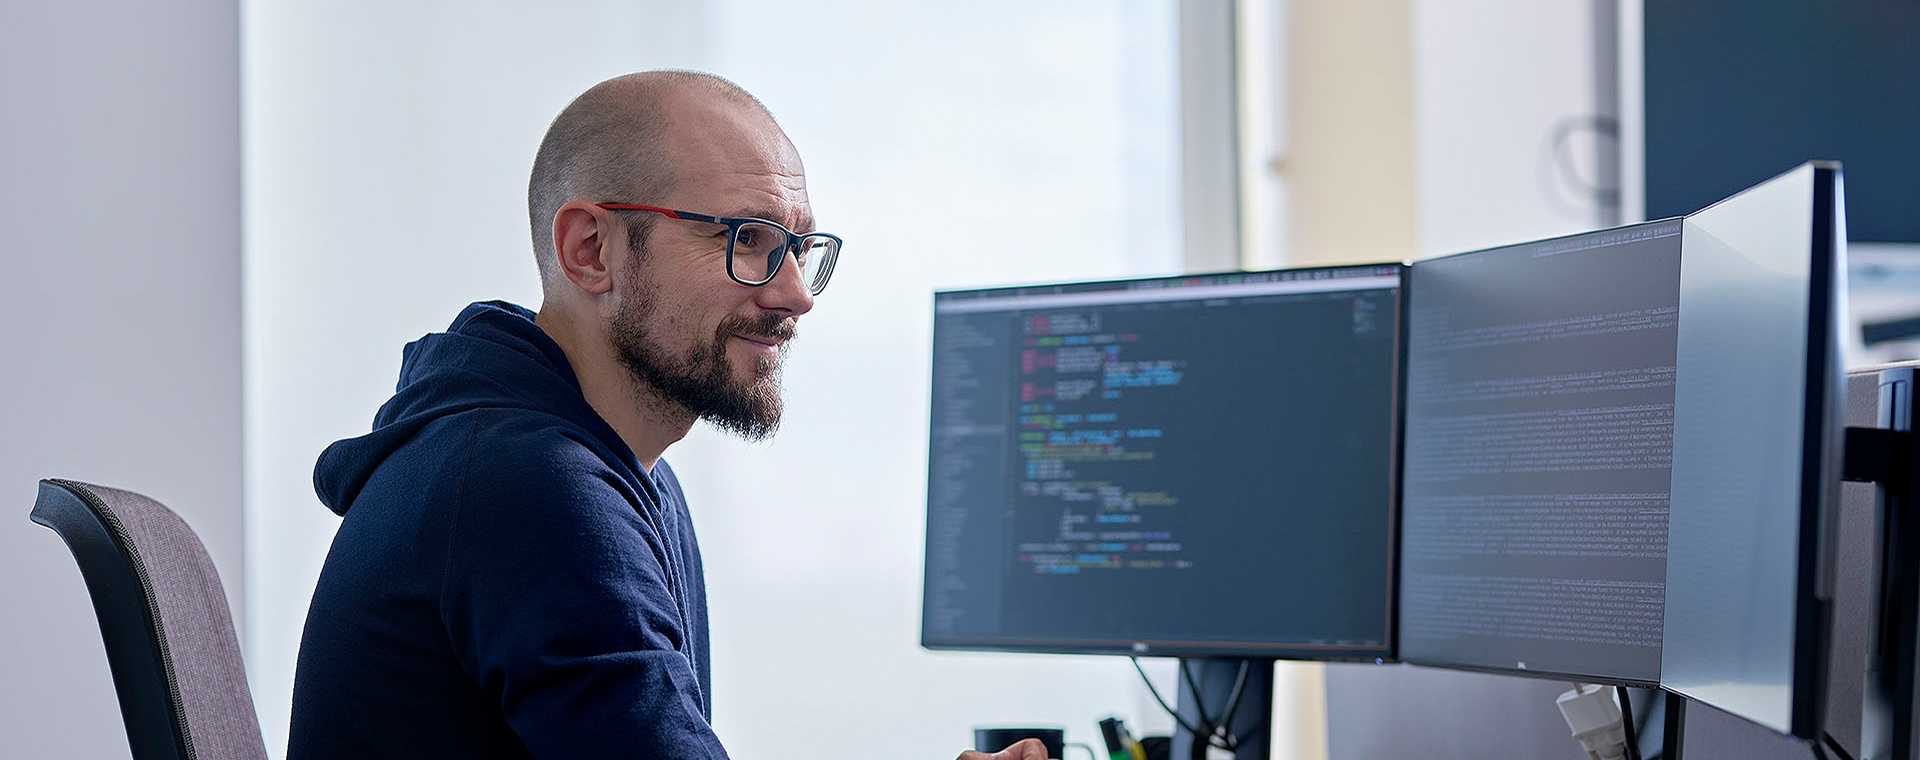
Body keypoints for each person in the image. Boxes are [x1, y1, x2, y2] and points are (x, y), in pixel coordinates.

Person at [286, 70, 1043, 760]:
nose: (795, 294)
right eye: (748, 239)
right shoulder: (526, 487)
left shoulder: (609, 471)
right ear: (591, 250)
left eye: (799, 247)